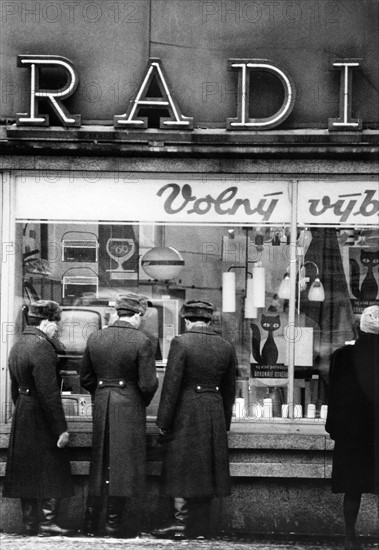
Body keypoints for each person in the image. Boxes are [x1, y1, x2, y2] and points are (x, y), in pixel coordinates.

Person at [152, 300, 237, 539]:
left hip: (186, 410)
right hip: (214, 411)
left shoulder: (181, 342)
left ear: (187, 320)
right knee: (207, 468)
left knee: (180, 466)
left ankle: (180, 524)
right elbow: (230, 389)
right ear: (209, 320)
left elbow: (171, 385)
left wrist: (163, 423)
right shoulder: (225, 345)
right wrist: (224, 422)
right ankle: (201, 527)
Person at [80, 293, 158, 538]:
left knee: (99, 462)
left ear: (117, 313)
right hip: (129, 406)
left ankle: (91, 524)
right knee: (123, 465)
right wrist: (137, 400)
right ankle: (114, 524)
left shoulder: (95, 337)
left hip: (102, 403)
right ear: (136, 315)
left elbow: (86, 379)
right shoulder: (143, 341)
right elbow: (148, 384)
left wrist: (103, 392)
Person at [3, 300, 74, 536]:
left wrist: (22, 407)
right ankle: (48, 522)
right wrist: (61, 429)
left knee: (27, 468)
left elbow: (15, 387)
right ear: (45, 321)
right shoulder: (43, 346)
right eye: (56, 323)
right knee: (51, 466)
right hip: (41, 414)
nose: (57, 329)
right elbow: (49, 392)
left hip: (23, 410)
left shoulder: (19, 345)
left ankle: (31, 523)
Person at [325, 305, 379, 550]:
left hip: (352, 433)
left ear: (360, 327)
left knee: (353, 488)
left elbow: (334, 397)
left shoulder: (341, 357)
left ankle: (349, 536)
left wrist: (334, 428)